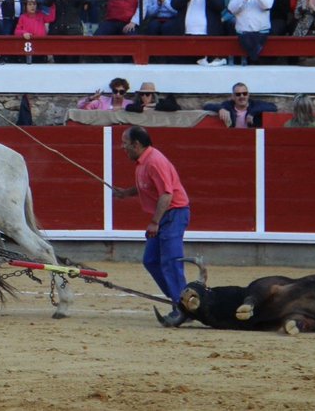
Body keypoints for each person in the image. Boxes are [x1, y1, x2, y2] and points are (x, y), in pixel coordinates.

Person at [112, 126, 189, 326]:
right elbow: (147, 187)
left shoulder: (155, 162)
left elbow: (166, 195)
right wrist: (126, 193)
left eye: (125, 143)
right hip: (166, 215)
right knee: (151, 260)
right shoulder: (143, 161)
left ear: (136, 144)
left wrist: (155, 222)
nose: (123, 147)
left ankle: (183, 308)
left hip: (173, 213)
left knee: (170, 261)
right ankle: (181, 301)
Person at [203, 83, 277, 128]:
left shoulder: (255, 105)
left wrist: (252, 113)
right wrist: (220, 109)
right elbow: (206, 106)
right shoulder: (228, 106)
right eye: (238, 94)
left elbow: (273, 107)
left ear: (248, 95)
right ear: (233, 96)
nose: (242, 96)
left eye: (244, 93)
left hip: (252, 140)